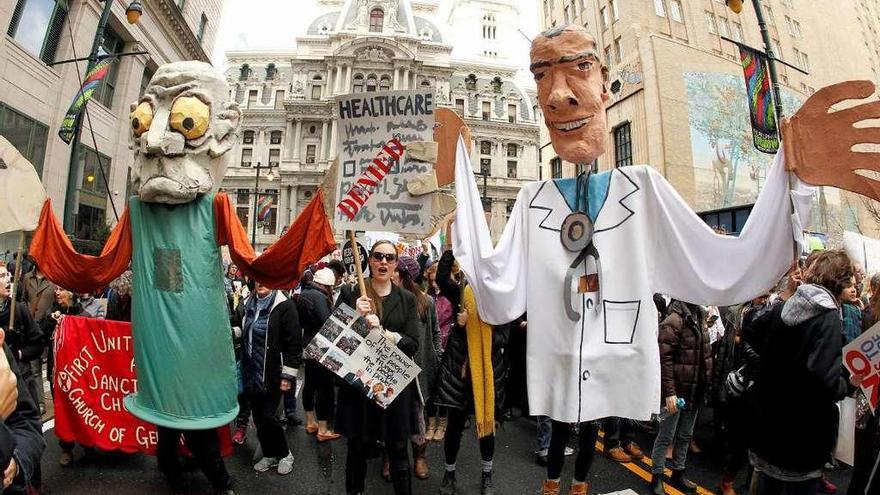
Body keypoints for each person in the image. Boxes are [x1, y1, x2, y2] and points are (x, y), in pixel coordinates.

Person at [745, 250, 852, 495]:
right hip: (801, 436)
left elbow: (752, 330)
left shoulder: (787, 304)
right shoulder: (827, 316)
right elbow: (823, 379)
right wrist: (848, 382)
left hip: (769, 425)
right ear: (840, 280)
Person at [336, 240, 421, 495]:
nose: (383, 262)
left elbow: (413, 343)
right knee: (357, 447)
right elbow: (336, 341)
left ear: (396, 264)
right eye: (378, 256)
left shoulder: (406, 299)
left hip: (394, 384)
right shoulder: (353, 295)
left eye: (389, 258)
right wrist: (354, 317)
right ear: (370, 260)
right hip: (360, 384)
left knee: (397, 447)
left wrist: (389, 336)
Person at [435, 250, 508, 495]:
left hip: (487, 374)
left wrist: (483, 329)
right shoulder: (462, 293)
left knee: (487, 427)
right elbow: (442, 279)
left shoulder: (499, 302)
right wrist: (452, 250)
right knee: (454, 428)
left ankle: (487, 475)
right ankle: (449, 473)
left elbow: (503, 338)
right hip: (460, 374)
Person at [649, 300, 713, 495]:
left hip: (694, 390)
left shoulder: (700, 315)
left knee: (685, 435)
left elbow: (704, 354)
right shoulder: (675, 319)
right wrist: (669, 392)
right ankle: (657, 476)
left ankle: (678, 472)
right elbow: (663, 357)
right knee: (666, 436)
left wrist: (707, 384)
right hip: (677, 391)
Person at [235, 281, 300, 475]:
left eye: (266, 278)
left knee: (268, 416)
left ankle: (285, 454)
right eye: (257, 278)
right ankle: (270, 454)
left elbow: (293, 343)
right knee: (258, 417)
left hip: (271, 373)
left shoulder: (285, 305)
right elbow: (243, 328)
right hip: (250, 371)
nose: (261, 283)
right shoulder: (249, 302)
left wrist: (288, 375)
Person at [394, 255, 440, 481]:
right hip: (391, 366)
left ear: (404, 275)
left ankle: (420, 457)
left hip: (418, 366)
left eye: (395, 269)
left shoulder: (426, 302)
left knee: (417, 412)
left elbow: (435, 333)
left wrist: (437, 359)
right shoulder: (385, 298)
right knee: (391, 414)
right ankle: (390, 456)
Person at [297, 267, 340, 441]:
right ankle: (323, 429)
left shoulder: (304, 293)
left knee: (310, 384)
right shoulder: (320, 296)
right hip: (322, 347)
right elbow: (327, 322)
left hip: (307, 343)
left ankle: (310, 422)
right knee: (325, 387)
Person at [0, 327, 45, 495]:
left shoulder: (19, 310)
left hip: (22, 374)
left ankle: (37, 484)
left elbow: (28, 425)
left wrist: (17, 463)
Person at [424, 262, 452, 442]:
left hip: (448, 346)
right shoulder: (426, 296)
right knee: (431, 386)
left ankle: (442, 423)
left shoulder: (451, 295)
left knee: (444, 387)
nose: (434, 284)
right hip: (431, 346)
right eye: (431, 281)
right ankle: (431, 422)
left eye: (437, 281)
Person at [20, 264, 53, 416]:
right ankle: (38, 402)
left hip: (48, 330)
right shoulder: (27, 278)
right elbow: (23, 299)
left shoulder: (54, 277)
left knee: (51, 370)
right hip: (30, 330)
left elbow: (56, 302)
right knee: (34, 368)